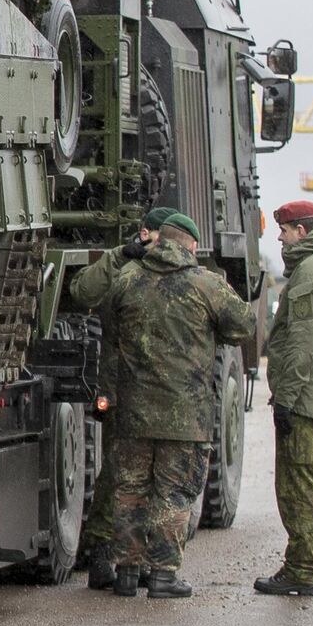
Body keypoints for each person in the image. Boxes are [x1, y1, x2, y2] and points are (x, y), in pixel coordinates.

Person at [84, 211, 252, 598]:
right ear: (191, 245)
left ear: (158, 242)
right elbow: (243, 325)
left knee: (130, 492)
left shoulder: (127, 280)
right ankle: (162, 575)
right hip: (185, 415)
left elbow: (108, 324)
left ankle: (126, 574)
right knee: (174, 494)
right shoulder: (205, 284)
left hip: (133, 413)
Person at [71, 205, 177, 590]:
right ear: (144, 233)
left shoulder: (178, 270)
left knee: (153, 477)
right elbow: (83, 291)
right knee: (119, 473)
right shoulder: (124, 264)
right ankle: (103, 552)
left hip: (157, 387)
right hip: (123, 384)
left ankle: (140, 559)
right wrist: (118, 255)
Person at [255, 199, 313, 597]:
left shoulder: (311, 271)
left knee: (298, 490)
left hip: (306, 402)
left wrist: (287, 398)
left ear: (302, 233)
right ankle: (301, 566)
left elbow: (305, 341)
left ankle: (302, 571)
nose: (280, 237)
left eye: (286, 230)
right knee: (308, 486)